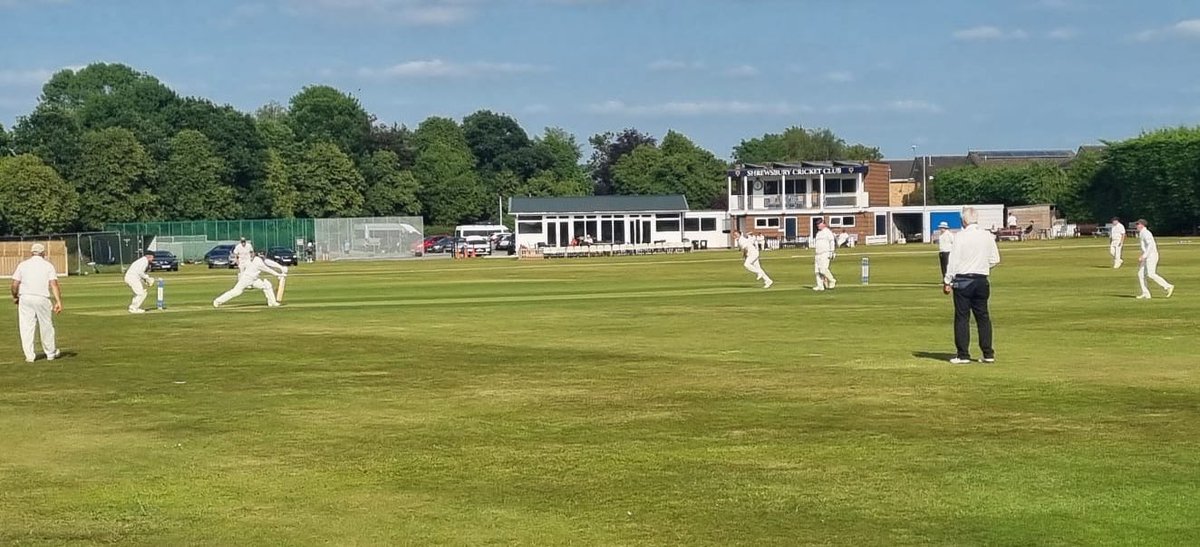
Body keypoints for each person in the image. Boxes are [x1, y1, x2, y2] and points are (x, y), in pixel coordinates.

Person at [943, 207, 1001, 364]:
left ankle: (963, 355)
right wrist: (982, 267)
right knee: (983, 317)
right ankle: (988, 353)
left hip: (963, 281)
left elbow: (953, 261)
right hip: (981, 280)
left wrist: (947, 280)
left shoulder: (960, 237)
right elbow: (995, 259)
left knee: (962, 317)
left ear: (964, 220)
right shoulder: (987, 236)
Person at [10, 243, 63, 363]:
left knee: (26, 327)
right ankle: (50, 353)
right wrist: (58, 301)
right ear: (43, 253)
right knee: (46, 326)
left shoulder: (23, 265)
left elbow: (14, 284)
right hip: (42, 297)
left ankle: (29, 355)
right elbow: (53, 284)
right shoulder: (48, 265)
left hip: (25, 297)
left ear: (31, 252)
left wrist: (15, 296)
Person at [213, 252, 286, 308]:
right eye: (263, 255)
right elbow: (268, 269)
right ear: (260, 255)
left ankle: (272, 302)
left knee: (267, 285)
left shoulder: (260, 259)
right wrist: (278, 275)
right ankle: (217, 301)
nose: (264, 257)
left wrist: (281, 267)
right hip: (246, 279)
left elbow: (269, 262)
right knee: (236, 292)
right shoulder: (258, 262)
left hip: (254, 279)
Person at [1135, 219, 1174, 299]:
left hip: (1151, 256)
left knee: (1151, 274)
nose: (1136, 226)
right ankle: (1146, 293)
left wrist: (1144, 256)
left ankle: (1168, 286)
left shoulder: (1146, 233)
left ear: (1142, 225)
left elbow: (1150, 245)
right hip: (1147, 256)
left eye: (1138, 224)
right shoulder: (1142, 233)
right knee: (1140, 274)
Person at [124, 250, 156, 314]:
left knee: (142, 293)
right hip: (132, 278)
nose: (153, 259)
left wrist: (145, 280)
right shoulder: (144, 261)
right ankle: (133, 308)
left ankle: (134, 307)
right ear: (149, 256)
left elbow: (139, 273)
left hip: (132, 278)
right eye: (153, 257)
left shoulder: (142, 261)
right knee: (140, 293)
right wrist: (147, 278)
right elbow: (140, 272)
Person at [812, 220, 837, 291]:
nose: (818, 225)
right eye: (817, 224)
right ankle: (820, 286)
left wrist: (832, 251)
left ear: (824, 224)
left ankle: (832, 280)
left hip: (825, 253)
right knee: (817, 271)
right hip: (818, 254)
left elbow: (832, 241)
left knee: (823, 270)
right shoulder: (818, 233)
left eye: (819, 224)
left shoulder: (828, 232)